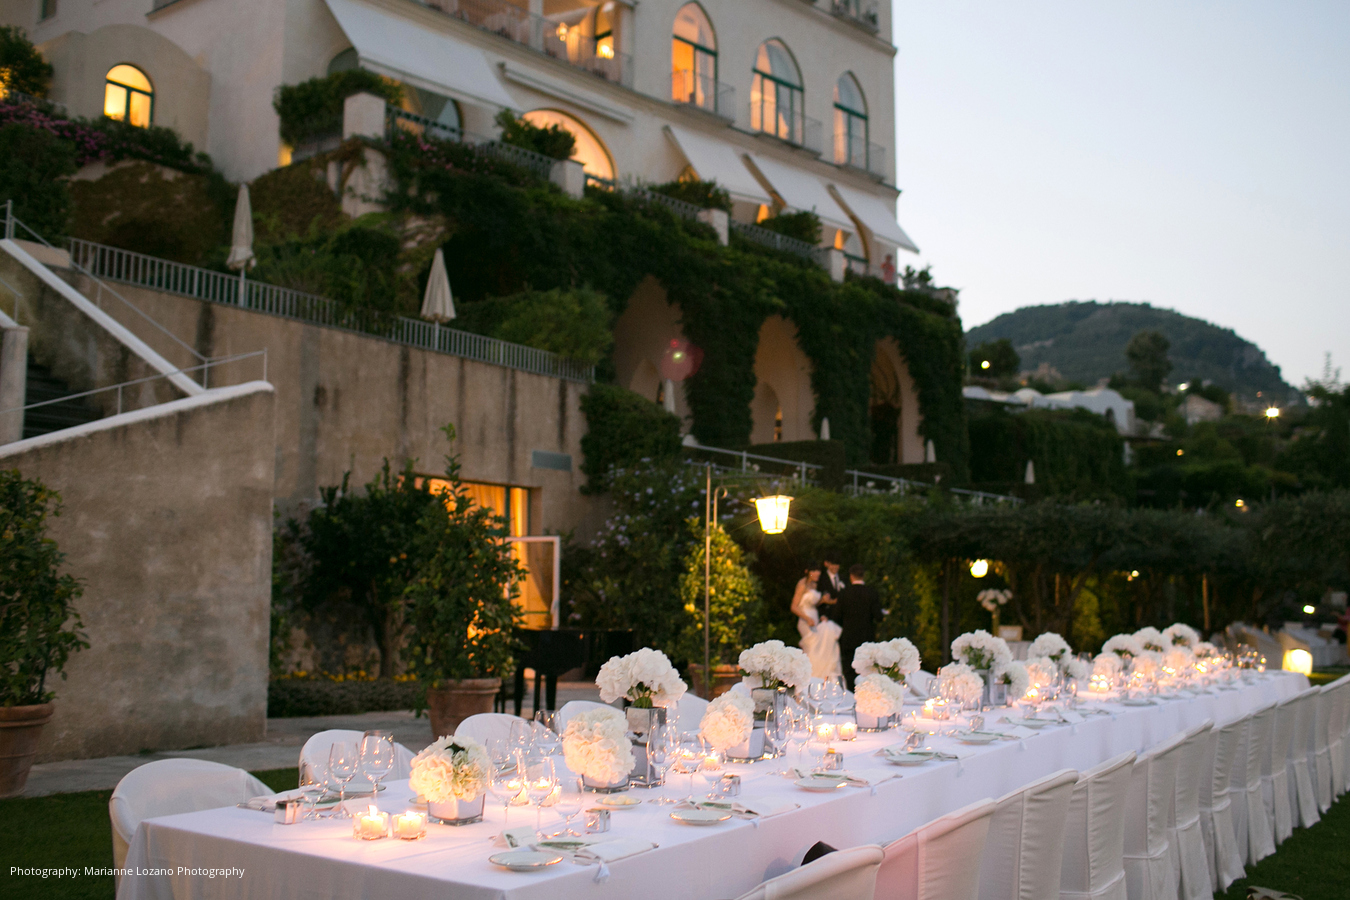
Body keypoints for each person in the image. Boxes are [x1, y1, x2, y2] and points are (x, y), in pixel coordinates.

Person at [835, 563, 882, 690]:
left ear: (851, 576)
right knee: (867, 671)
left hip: (849, 638)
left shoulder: (844, 593)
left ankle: (851, 695)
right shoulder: (871, 593)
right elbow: (878, 616)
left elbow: (836, 616)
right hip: (867, 638)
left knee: (849, 670)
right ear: (863, 576)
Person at [792, 564, 842, 678]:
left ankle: (819, 675)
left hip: (814, 618)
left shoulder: (814, 585)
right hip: (805, 619)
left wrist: (823, 601)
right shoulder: (802, 585)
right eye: (814, 571)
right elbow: (794, 606)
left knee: (819, 647)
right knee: (812, 647)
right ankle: (809, 676)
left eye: (818, 572)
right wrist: (807, 618)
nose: (817, 574)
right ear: (808, 571)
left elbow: (813, 604)